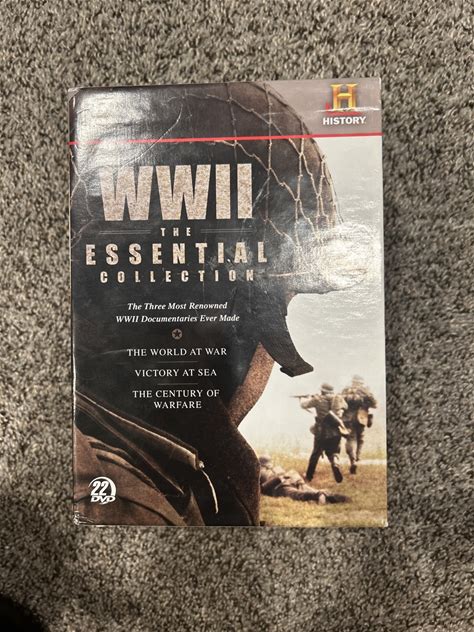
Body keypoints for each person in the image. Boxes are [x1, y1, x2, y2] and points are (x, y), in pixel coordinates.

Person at [299, 384, 349, 483]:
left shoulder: (317, 399)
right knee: (333, 452)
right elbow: (346, 407)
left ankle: (309, 476)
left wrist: (303, 398)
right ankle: (335, 463)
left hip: (321, 431)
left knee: (316, 453)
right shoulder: (337, 398)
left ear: (322, 391)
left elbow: (303, 405)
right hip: (336, 430)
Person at [259, 456, 347, 504]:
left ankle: (319, 495)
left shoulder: (262, 471)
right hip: (290, 478)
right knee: (306, 489)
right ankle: (329, 495)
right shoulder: (276, 468)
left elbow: (262, 488)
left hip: (281, 483)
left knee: (298, 494)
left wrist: (277, 479)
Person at [342, 375, 377, 474]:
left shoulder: (345, 390)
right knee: (360, 439)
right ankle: (357, 458)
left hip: (348, 419)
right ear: (361, 383)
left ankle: (353, 460)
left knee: (350, 439)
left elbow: (339, 403)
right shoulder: (365, 391)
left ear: (352, 382)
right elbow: (374, 404)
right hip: (361, 418)